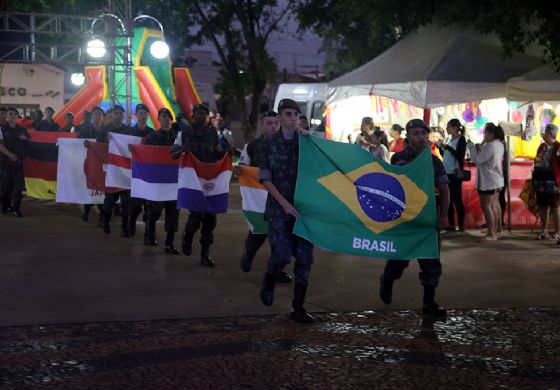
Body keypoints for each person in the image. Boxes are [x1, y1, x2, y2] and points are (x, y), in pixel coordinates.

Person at [379, 119, 450, 317]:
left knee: (431, 263)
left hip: (427, 220)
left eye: (423, 133)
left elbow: (444, 189)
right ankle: (387, 279)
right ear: (408, 136)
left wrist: (443, 215)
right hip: (405, 218)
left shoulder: (435, 162)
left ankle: (429, 303)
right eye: (415, 133)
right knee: (399, 260)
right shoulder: (399, 159)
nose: (420, 137)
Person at [258, 98, 315, 323]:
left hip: (303, 209)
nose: (293, 118)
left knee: (304, 259)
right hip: (278, 208)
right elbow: (265, 178)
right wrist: (283, 203)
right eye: (288, 114)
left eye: (296, 115)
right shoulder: (268, 144)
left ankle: (298, 308)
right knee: (281, 255)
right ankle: (270, 279)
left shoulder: (306, 143)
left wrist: (313, 142)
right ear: (280, 117)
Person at [239, 111, 292, 284]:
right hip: (259, 198)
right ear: (261, 125)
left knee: (280, 236)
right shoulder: (252, 145)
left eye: (276, 123)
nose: (273, 126)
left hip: (280, 198)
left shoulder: (286, 144)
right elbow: (243, 167)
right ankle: (248, 255)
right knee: (258, 233)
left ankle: (277, 270)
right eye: (269, 123)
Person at [172, 103, 228, 267]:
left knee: (210, 219)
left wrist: (224, 153)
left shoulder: (213, 132)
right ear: (193, 115)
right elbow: (173, 153)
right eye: (198, 113)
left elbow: (218, 151)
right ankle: (187, 236)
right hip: (193, 180)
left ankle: (205, 254)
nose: (201, 116)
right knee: (196, 217)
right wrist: (183, 149)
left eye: (204, 113)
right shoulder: (185, 132)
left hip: (210, 178)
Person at [144, 108, 180, 254]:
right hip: (157, 181)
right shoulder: (152, 136)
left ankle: (169, 243)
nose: (165, 119)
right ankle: (150, 234)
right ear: (158, 119)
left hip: (173, 181)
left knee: (173, 213)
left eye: (168, 117)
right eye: (163, 117)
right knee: (155, 210)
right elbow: (146, 156)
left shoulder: (178, 137)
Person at [96, 105, 132, 236]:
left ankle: (124, 228)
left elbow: (133, 146)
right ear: (112, 115)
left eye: (120, 113)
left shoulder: (128, 131)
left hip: (125, 171)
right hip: (111, 170)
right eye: (116, 113)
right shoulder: (104, 131)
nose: (118, 116)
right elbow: (98, 147)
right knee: (109, 201)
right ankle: (106, 222)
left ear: (123, 116)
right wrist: (107, 141)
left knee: (126, 202)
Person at [466, 123, 505, 241]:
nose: (484, 136)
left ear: (491, 134)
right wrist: (480, 147)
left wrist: (471, 147)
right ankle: (494, 229)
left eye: (485, 133)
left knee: (487, 206)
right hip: (496, 179)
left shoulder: (491, 146)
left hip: (489, 180)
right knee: (494, 205)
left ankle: (491, 234)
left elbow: (478, 160)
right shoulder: (499, 144)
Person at [128, 104, 155, 237]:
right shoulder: (129, 132)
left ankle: (149, 233)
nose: (143, 115)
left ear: (148, 115)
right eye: (140, 113)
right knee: (136, 205)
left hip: (149, 173)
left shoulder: (152, 133)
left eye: (145, 113)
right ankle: (131, 223)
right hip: (135, 173)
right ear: (136, 115)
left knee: (150, 206)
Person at [0, 107, 30, 217]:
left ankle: (16, 208)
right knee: (5, 188)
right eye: (10, 114)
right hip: (5, 163)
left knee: (18, 187)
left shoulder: (22, 129)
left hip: (18, 163)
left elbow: (29, 142)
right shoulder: (1, 129)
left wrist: (25, 139)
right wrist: (9, 154)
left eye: (14, 114)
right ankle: (4, 206)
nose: (12, 116)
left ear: (17, 116)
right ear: (7, 116)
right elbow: (0, 144)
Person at [532, 124, 560, 240]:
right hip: (541, 180)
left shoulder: (558, 147)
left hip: (553, 181)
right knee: (543, 206)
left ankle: (558, 232)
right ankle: (544, 231)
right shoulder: (541, 146)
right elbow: (537, 160)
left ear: (550, 133)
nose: (543, 134)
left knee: (555, 206)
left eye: (545, 132)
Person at [79, 107, 105, 223]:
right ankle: (87, 210)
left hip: (101, 163)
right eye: (95, 114)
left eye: (100, 114)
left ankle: (101, 215)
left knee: (101, 188)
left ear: (102, 117)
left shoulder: (106, 131)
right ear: (92, 116)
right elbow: (77, 141)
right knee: (89, 186)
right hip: (89, 161)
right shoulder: (85, 130)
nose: (98, 116)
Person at [442, 119, 467, 232]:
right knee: (448, 199)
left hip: (455, 173)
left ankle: (461, 224)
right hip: (446, 172)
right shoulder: (448, 138)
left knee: (457, 199)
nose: (447, 129)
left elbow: (459, 155)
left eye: (449, 126)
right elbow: (447, 155)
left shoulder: (461, 139)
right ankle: (451, 224)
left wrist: (448, 148)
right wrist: (441, 148)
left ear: (455, 128)